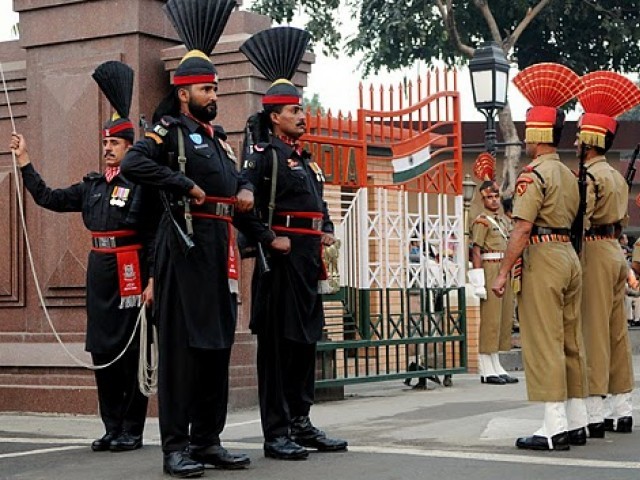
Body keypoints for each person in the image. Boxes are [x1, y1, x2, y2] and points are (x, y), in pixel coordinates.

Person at [120, 0, 253, 476]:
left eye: (215, 87)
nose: (212, 93)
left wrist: (245, 188)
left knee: (217, 348)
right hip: (183, 250)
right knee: (180, 354)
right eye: (204, 87)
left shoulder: (216, 137)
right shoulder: (168, 132)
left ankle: (208, 441)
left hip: (219, 253)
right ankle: (175, 447)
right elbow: (134, 165)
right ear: (182, 94)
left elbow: (239, 177)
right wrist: (184, 185)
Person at [9, 60, 156, 453]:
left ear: (130, 147)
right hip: (100, 272)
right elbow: (49, 198)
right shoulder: (91, 186)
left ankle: (132, 429)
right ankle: (111, 426)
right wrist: (25, 162)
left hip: (130, 269)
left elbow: (154, 235)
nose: (108, 149)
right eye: (105, 143)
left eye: (115, 144)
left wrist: (152, 279)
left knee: (130, 351)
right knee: (103, 350)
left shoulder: (142, 185)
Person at [236, 26, 348, 460]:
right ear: (274, 117)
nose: (302, 116)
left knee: (305, 343)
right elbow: (242, 205)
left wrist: (329, 227)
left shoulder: (306, 160)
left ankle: (301, 422)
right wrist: (269, 239)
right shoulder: (264, 157)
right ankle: (276, 431)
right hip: (278, 265)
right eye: (293, 110)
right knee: (278, 348)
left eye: (302, 109)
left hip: (308, 264)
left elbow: (317, 205)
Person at [492, 63, 588, 451]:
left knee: (544, 341)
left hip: (544, 257)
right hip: (569, 256)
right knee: (569, 340)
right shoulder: (567, 173)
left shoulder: (532, 174)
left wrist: (501, 273)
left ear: (537, 132)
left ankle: (553, 427)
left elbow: (521, 228)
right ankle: (577, 419)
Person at [574, 71, 640, 437]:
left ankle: (596, 411)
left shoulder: (589, 177)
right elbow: (624, 216)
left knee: (594, 331)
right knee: (617, 333)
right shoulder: (615, 175)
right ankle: (623, 409)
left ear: (589, 139)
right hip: (616, 249)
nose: (578, 142)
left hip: (596, 251)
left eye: (581, 136)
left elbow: (582, 221)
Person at [468, 180, 517, 385]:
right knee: (490, 319)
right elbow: (476, 250)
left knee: (502, 318)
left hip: (503, 268)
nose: (494, 200)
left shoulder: (503, 221)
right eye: (489, 197)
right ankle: (485, 368)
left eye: (496, 196)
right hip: (489, 268)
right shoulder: (482, 221)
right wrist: (478, 279)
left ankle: (495, 363)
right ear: (483, 199)